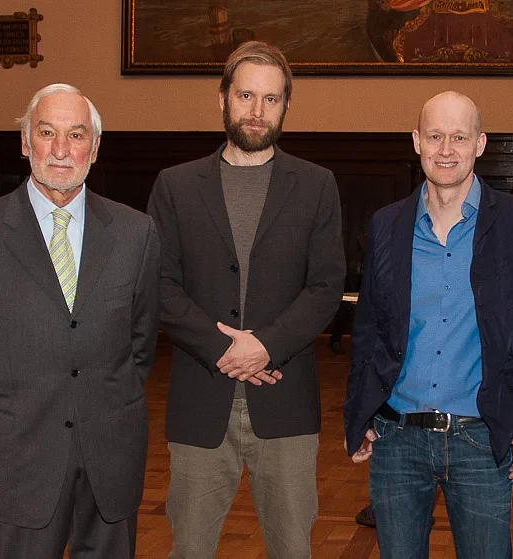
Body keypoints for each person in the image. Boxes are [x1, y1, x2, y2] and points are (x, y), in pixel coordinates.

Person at [0, 83, 161, 558]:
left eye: (76, 135)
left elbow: (141, 343)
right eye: (46, 132)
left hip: (112, 450)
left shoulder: (135, 232)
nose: (61, 149)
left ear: (94, 148)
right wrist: (13, 402)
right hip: (22, 453)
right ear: (25, 142)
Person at [147, 41, 345, 559]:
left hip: (286, 405)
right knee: (189, 550)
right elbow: (160, 286)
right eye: (246, 96)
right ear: (223, 99)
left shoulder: (317, 186)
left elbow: (326, 287)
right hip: (200, 402)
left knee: (292, 550)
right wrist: (226, 350)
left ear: (286, 106)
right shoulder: (175, 186)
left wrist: (266, 346)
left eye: (271, 99)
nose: (257, 110)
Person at [343, 91, 513, 558]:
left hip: (481, 438)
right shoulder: (387, 223)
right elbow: (369, 328)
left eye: (459, 137)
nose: (446, 149)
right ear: (417, 141)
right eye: (435, 137)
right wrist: (359, 414)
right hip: (396, 439)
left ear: (480, 143)